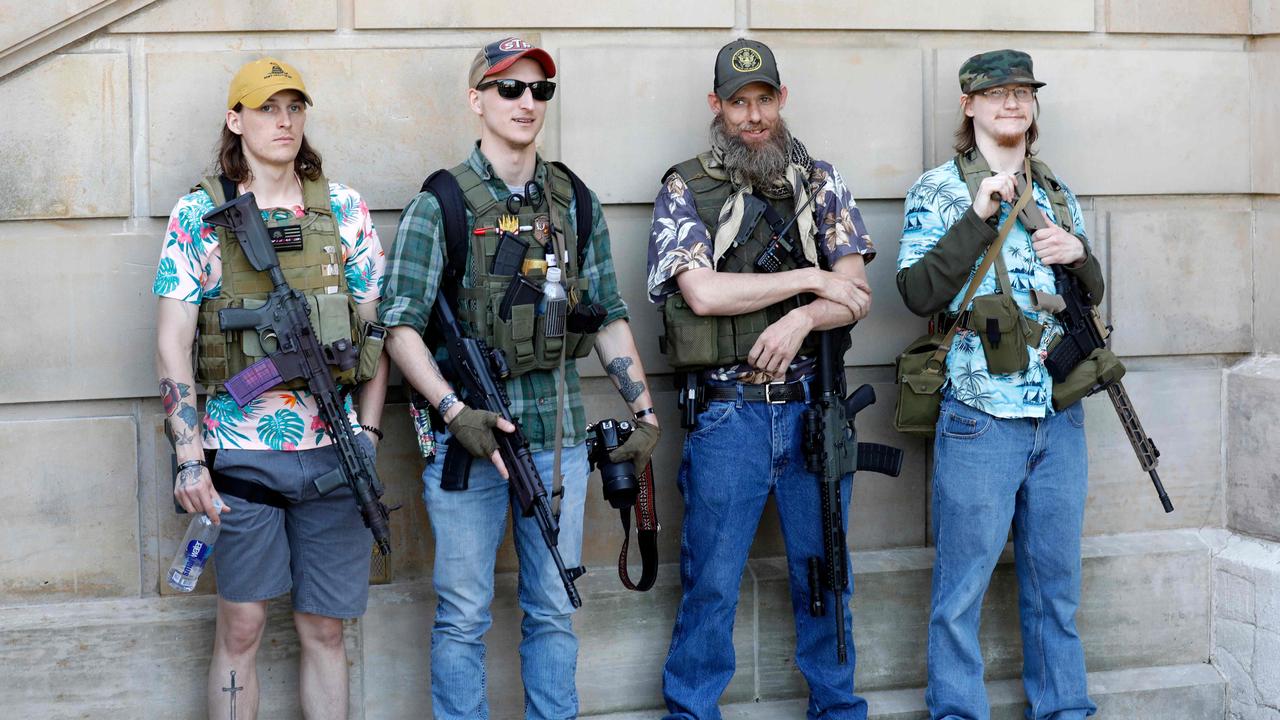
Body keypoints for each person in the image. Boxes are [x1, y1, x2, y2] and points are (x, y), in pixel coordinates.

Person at [377, 36, 660, 720]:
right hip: (470, 449)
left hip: (557, 439)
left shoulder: (574, 200)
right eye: (509, 88)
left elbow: (608, 317)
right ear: (477, 100)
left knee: (556, 607)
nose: (526, 102)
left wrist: (645, 412)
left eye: (539, 90)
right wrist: (452, 411)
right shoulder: (440, 203)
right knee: (464, 615)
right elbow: (399, 324)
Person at [646, 38, 876, 720]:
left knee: (826, 575)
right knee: (711, 586)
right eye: (739, 102)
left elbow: (857, 293)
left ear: (782, 99)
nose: (753, 116)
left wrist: (802, 322)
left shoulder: (820, 180)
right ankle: (692, 712)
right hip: (730, 416)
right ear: (716, 106)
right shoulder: (685, 186)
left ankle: (837, 710)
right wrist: (811, 280)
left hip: (814, 408)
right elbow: (703, 294)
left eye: (764, 100)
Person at [153, 57, 388, 720]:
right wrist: (190, 455)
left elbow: (375, 337)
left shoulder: (343, 210)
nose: (283, 121)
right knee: (242, 627)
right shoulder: (201, 214)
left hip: (335, 458)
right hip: (241, 455)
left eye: (293, 107)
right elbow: (172, 340)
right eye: (266, 108)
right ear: (237, 119)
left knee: (326, 630)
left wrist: (368, 435)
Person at [896, 49, 1105, 720]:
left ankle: (1065, 709)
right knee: (961, 594)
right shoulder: (939, 189)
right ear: (970, 105)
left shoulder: (1057, 190)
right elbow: (916, 291)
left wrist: (1083, 258)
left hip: (1057, 412)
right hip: (981, 417)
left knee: (1056, 591)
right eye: (996, 93)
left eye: (1022, 92)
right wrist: (978, 216)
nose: (1011, 102)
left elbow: (1086, 296)